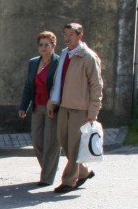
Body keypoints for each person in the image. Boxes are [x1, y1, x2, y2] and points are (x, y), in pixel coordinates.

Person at [46, 23, 103, 193]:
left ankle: (69, 181)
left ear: (80, 35)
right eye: (65, 34)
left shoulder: (88, 57)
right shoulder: (64, 54)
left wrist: (93, 112)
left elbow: (96, 86)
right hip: (64, 106)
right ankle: (84, 172)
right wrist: (52, 102)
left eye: (71, 34)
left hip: (81, 109)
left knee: (74, 145)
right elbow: (58, 81)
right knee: (63, 141)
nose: (67, 38)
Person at [18, 31, 61, 186]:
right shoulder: (33, 62)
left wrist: (55, 103)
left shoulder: (59, 63)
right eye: (41, 45)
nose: (43, 48)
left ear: (53, 46)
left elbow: (60, 86)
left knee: (51, 143)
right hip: (37, 106)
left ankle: (47, 177)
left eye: (47, 45)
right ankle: (49, 169)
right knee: (37, 142)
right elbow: (29, 86)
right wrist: (24, 106)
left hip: (53, 108)